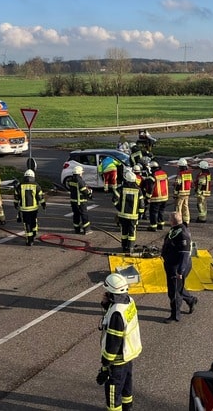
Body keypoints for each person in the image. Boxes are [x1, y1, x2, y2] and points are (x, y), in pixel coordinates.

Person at [97, 273, 142, 411]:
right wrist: (106, 305)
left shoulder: (116, 313)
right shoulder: (129, 301)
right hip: (128, 353)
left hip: (117, 359)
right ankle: (127, 407)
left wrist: (105, 365)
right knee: (126, 384)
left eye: (107, 291)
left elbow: (113, 342)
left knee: (113, 392)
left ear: (111, 293)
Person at [161, 211, 198, 323]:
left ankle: (175, 315)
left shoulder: (182, 234)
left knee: (174, 292)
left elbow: (184, 254)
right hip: (172, 264)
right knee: (177, 288)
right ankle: (191, 300)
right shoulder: (176, 229)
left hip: (177, 267)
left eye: (169, 218)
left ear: (172, 221)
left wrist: (180, 271)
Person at [112, 169, 145, 254]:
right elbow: (141, 204)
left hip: (122, 215)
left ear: (126, 179)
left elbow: (114, 200)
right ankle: (130, 247)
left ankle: (124, 247)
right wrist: (141, 213)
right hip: (133, 216)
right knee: (132, 232)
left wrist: (119, 208)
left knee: (124, 231)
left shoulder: (121, 189)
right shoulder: (138, 190)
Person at [14, 169, 45, 246]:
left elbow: (16, 197)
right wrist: (43, 204)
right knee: (33, 221)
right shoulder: (36, 186)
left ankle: (29, 240)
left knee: (27, 223)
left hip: (24, 209)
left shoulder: (20, 186)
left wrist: (15, 204)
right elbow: (40, 197)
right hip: (34, 208)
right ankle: (34, 233)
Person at [67, 165, 93, 235]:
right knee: (84, 215)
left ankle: (77, 229)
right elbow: (84, 191)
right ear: (79, 173)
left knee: (76, 215)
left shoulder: (70, 179)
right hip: (80, 202)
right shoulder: (79, 180)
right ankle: (87, 230)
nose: (82, 173)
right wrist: (89, 192)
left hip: (73, 201)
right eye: (81, 172)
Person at [144, 161, 169, 231]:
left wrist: (148, 197)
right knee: (161, 211)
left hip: (156, 197)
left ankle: (153, 226)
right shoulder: (164, 173)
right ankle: (161, 224)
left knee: (153, 212)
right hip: (164, 197)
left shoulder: (152, 176)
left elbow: (150, 188)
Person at [173, 158, 193, 225]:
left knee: (178, 207)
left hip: (181, 193)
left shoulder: (180, 174)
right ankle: (186, 220)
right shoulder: (189, 173)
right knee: (185, 206)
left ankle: (179, 222)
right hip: (187, 193)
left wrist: (175, 194)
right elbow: (191, 183)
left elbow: (178, 184)